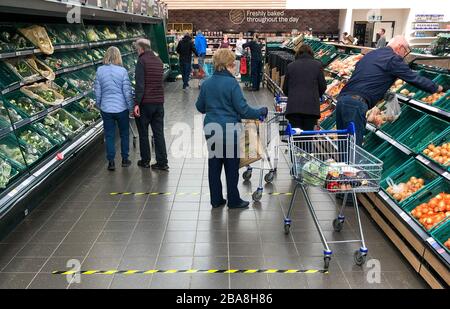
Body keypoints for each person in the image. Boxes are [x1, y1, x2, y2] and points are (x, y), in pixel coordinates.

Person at [336, 35, 443, 147]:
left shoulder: (371, 54)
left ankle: (343, 164)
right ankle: (349, 164)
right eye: (405, 51)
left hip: (343, 100)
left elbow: (367, 78)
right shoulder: (393, 58)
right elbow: (414, 78)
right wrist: (437, 88)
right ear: (400, 47)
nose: (404, 56)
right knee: (353, 149)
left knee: (344, 146)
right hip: (356, 105)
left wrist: (382, 93)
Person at [195, 48, 268, 209]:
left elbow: (199, 107)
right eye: (233, 64)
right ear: (227, 65)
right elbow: (244, 110)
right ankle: (233, 200)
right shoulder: (232, 84)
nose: (234, 67)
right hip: (228, 131)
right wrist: (260, 111)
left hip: (211, 129)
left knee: (214, 166)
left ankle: (216, 200)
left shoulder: (207, 83)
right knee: (231, 167)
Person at [94, 46, 133, 171]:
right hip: (121, 108)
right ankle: (125, 159)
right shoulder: (122, 71)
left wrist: (99, 104)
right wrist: (130, 107)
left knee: (109, 135)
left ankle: (111, 162)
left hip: (106, 109)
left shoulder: (99, 71)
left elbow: (97, 91)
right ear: (118, 56)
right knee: (124, 134)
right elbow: (127, 92)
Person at [133, 39, 169, 170]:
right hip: (159, 102)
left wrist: (137, 103)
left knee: (143, 133)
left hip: (146, 103)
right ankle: (162, 162)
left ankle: (145, 160)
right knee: (158, 133)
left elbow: (140, 85)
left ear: (141, 49)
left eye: (137, 50)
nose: (137, 52)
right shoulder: (158, 61)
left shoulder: (141, 61)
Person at [283, 45, 327, 131]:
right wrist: (316, 96)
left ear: (298, 54)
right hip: (311, 109)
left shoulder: (290, 66)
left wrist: (292, 96)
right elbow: (323, 86)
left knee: (295, 138)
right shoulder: (318, 65)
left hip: (294, 109)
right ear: (311, 53)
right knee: (307, 139)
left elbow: (285, 88)